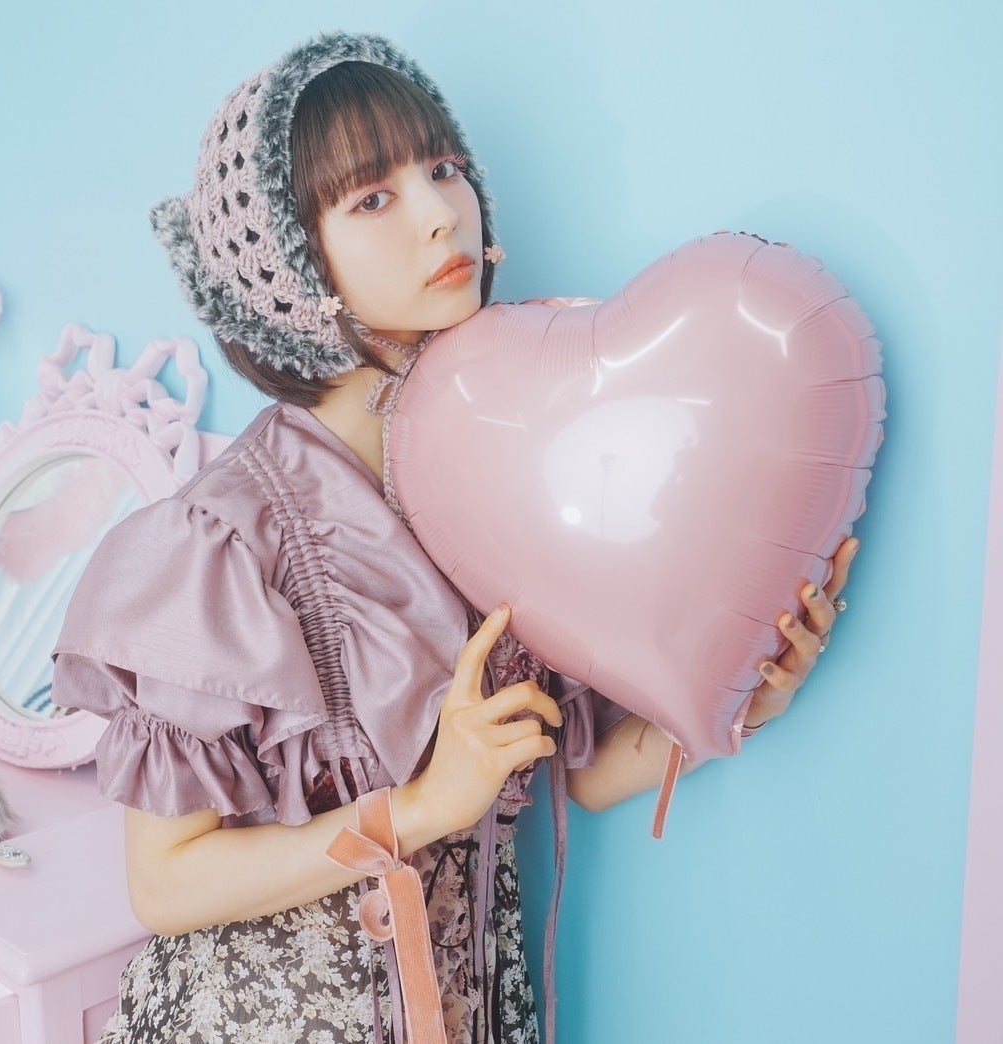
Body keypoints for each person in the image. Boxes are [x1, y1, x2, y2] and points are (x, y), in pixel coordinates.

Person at [51, 31, 858, 1044]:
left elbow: (582, 775)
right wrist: (425, 806)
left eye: (443, 169)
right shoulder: (221, 544)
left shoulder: (522, 467)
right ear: (290, 267)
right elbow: (165, 884)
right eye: (373, 199)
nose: (441, 214)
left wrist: (746, 699)